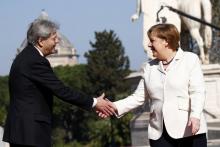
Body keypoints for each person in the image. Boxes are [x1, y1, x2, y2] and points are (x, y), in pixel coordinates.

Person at [3, 19, 115, 147]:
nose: (57, 41)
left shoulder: (26, 56)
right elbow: (62, 90)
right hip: (30, 132)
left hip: (23, 132)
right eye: (54, 38)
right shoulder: (35, 61)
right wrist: (94, 102)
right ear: (40, 41)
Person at [99, 23, 207, 147]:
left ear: (165, 41)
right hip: (159, 134)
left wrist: (195, 116)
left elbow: (198, 91)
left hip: (189, 130)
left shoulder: (190, 60)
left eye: (152, 41)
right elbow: (138, 97)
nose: (149, 45)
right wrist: (113, 106)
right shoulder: (149, 67)